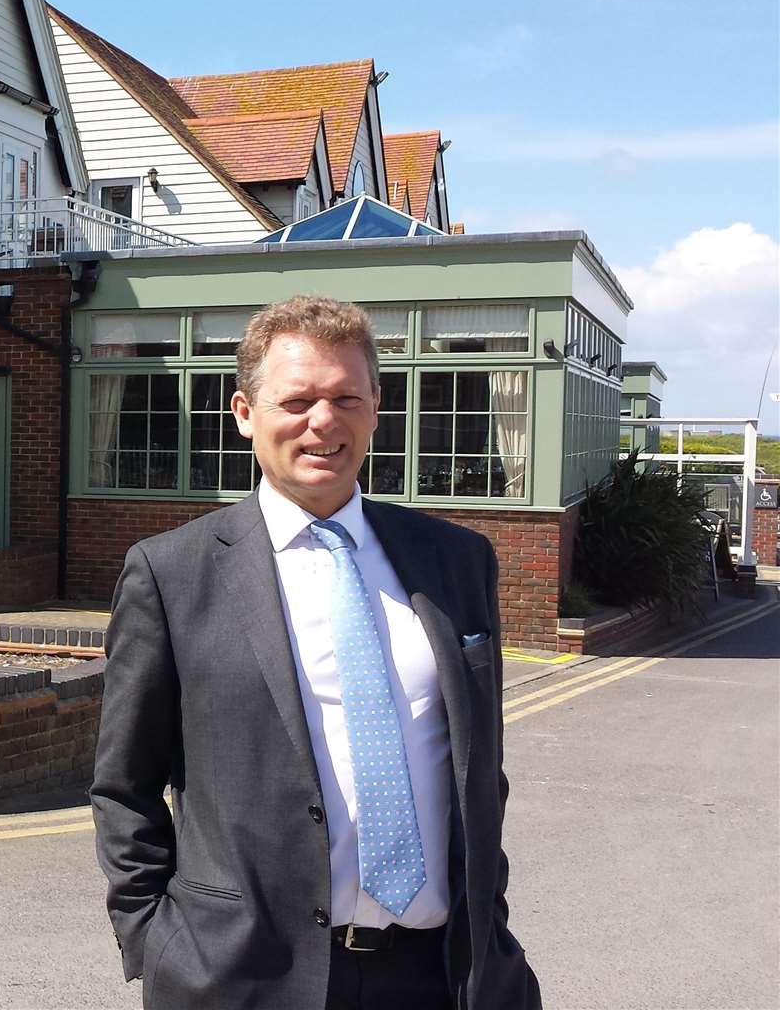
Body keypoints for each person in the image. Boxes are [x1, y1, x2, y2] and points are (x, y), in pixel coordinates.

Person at [92, 296, 541, 1009]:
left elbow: (480, 773)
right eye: (296, 400)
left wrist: (491, 923)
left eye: (344, 398)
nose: (322, 422)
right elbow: (125, 785)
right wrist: (153, 939)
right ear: (245, 412)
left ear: (376, 406)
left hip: (442, 974)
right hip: (244, 978)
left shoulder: (458, 561)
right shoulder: (171, 573)